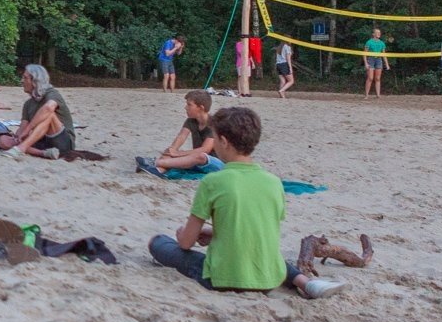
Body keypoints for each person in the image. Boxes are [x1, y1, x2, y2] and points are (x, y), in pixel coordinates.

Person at [147, 107, 345, 299]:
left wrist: (184, 233)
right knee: (264, 251)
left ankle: (304, 283)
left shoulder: (213, 181)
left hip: (222, 280)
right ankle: (306, 283)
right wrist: (215, 232)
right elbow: (257, 229)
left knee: (159, 242)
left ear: (223, 141)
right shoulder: (273, 182)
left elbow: (186, 242)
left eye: (215, 138)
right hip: (268, 279)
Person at [0, 64, 75, 159]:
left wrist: (28, 130)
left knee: (49, 115)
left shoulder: (52, 94)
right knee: (3, 140)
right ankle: (44, 153)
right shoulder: (28, 104)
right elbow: (22, 127)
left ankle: (21, 148)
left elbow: (48, 108)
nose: (22, 81)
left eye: (25, 78)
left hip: (63, 142)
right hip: (42, 141)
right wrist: (17, 137)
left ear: (35, 81)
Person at [137, 90, 220, 176]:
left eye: (189, 105)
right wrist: (171, 151)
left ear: (201, 108)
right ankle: (158, 170)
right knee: (171, 152)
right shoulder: (191, 121)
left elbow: (205, 149)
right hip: (195, 158)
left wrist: (177, 153)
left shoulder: (213, 124)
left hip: (212, 162)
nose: (185, 107)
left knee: (201, 156)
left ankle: (154, 163)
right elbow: (181, 136)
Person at [362, 28, 387, 97]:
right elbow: (364, 53)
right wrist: (366, 63)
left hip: (378, 60)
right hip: (371, 59)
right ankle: (366, 95)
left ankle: (378, 95)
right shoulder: (369, 42)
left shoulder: (382, 43)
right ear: (373, 34)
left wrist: (387, 64)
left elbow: (384, 54)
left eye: (379, 32)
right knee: (370, 78)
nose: (379, 34)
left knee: (378, 78)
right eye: (377, 32)